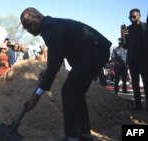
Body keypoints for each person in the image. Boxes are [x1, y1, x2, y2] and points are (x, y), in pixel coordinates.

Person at [21, 7, 111, 141]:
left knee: (68, 91)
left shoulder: (50, 28)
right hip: (95, 52)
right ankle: (85, 134)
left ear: (39, 17)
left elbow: (54, 66)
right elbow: (57, 58)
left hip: (94, 52)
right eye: (25, 28)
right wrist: (47, 74)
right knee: (76, 92)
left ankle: (71, 137)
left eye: (29, 25)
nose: (28, 30)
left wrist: (36, 96)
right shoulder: (51, 26)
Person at [121, 9, 148, 110]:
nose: (132, 19)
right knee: (135, 84)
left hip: (145, 60)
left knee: (147, 83)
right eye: (130, 17)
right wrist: (123, 36)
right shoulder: (128, 29)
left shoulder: (146, 27)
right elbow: (124, 46)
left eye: (134, 16)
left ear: (140, 15)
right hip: (133, 61)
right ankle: (138, 105)